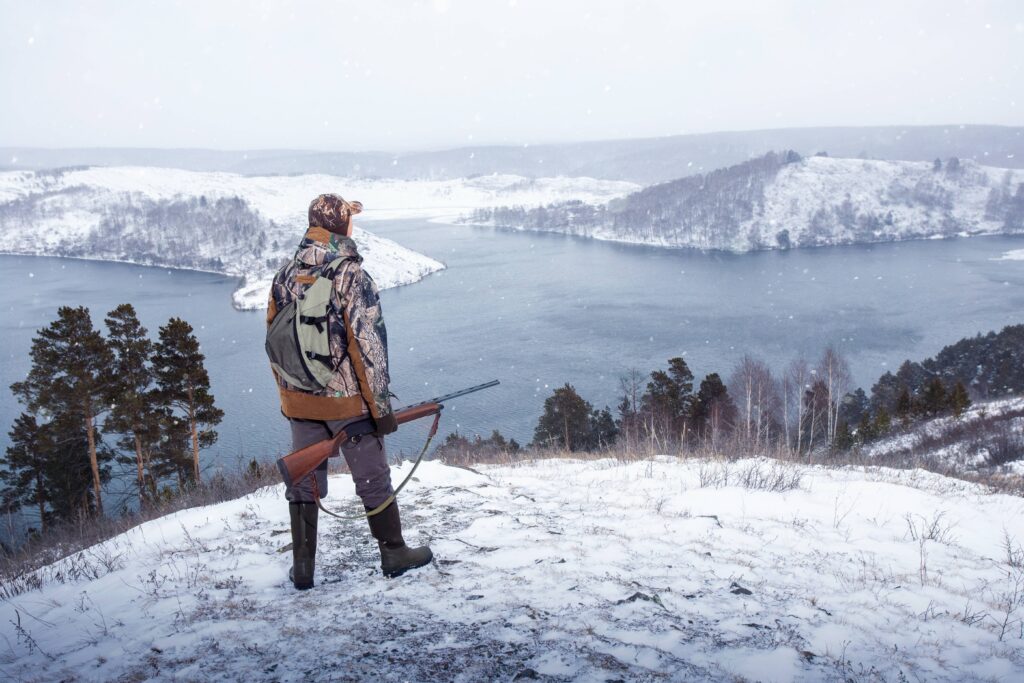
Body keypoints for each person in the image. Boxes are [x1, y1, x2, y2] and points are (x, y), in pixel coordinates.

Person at [266, 193, 432, 589]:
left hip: (300, 399)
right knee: (372, 477)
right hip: (347, 401)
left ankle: (303, 569)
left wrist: (290, 398)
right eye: (350, 220)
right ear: (342, 226)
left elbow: (274, 343)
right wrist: (380, 408)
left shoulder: (284, 274)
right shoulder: (352, 275)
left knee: (305, 479)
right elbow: (367, 346)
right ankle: (394, 552)